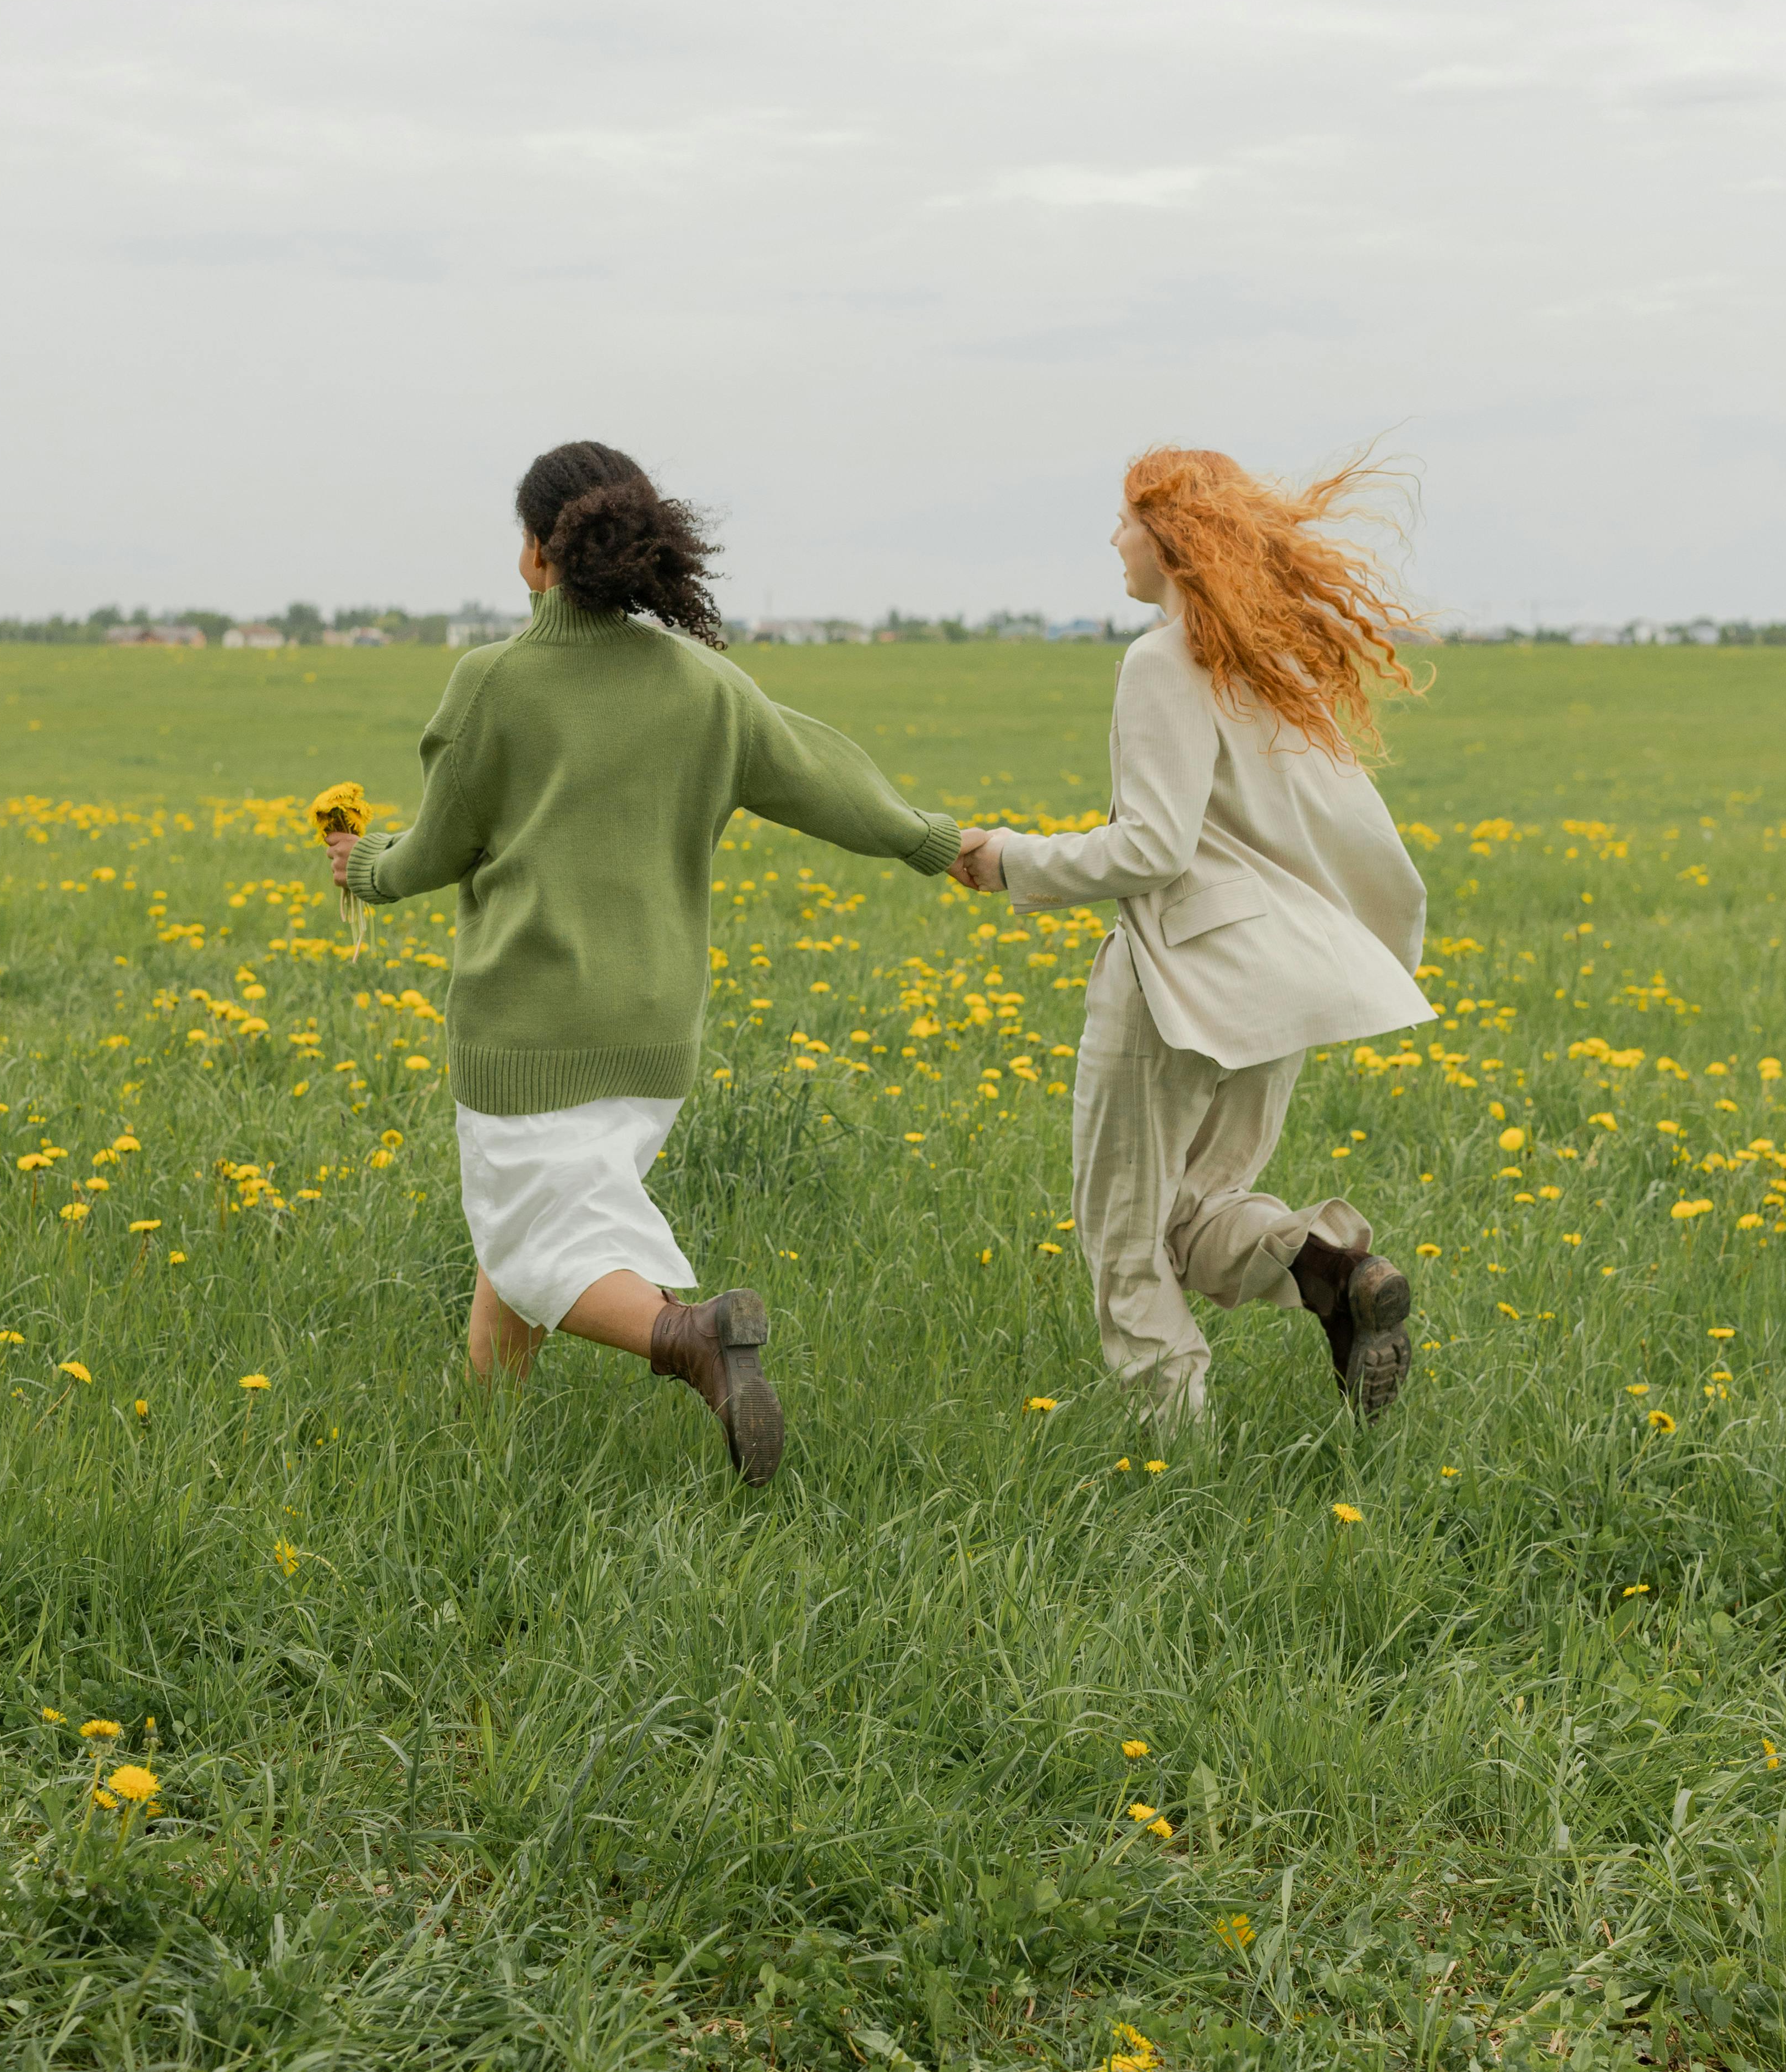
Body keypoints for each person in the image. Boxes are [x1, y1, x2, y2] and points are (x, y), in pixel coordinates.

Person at [320, 440, 962, 1484]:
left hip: (529, 1024)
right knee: (530, 1224)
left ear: (539, 553)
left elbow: (436, 849)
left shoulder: (494, 682)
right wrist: (930, 840)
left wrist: (366, 867)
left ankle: (692, 1339)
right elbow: (821, 777)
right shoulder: (705, 684)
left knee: (537, 1238)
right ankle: (484, 1439)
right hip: (655, 1033)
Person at [953, 446, 1435, 1427]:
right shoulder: (1267, 657)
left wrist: (1008, 859)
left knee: (1125, 1235)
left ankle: (1172, 1456)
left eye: (1126, 521)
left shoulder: (1161, 659)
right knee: (1194, 1218)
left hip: (1176, 981)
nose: (1113, 539)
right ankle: (1331, 1272)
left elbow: (1151, 848)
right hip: (1278, 982)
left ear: (1170, 539)